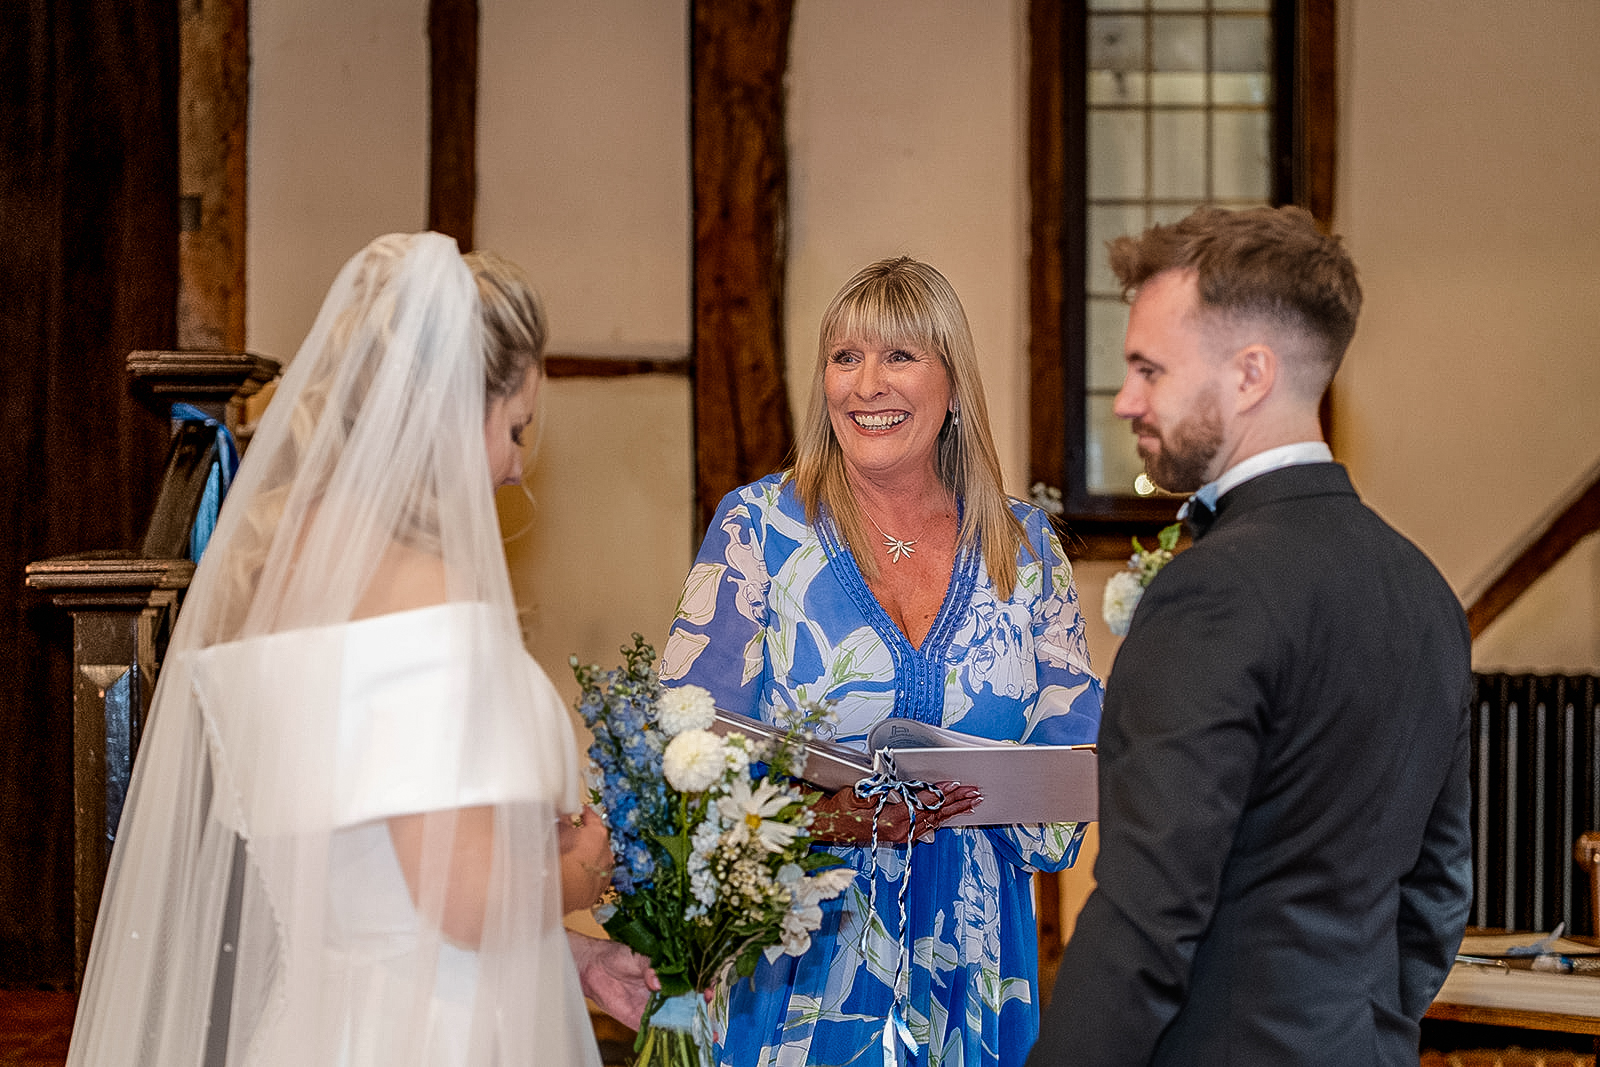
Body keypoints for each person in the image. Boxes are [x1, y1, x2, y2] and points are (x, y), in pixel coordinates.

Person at [66, 232, 652, 1066]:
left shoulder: (272, 589)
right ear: (452, 410)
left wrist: (576, 957)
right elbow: (460, 897)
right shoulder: (428, 596)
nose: (518, 468)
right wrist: (583, 870)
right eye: (515, 428)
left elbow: (375, 904)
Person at [1029, 206, 1472, 1066]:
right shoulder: (1424, 589)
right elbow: (1435, 897)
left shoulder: (1212, 593)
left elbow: (1143, 926)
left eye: (1149, 369)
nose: (1126, 400)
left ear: (1250, 374)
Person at [661, 256, 1104, 1067]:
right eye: (845, 357)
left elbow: (1073, 763)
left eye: (900, 355)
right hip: (799, 959)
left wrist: (1014, 794)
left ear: (953, 384)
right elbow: (684, 753)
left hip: (975, 968)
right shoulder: (757, 529)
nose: (867, 384)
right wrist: (814, 818)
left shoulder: (1024, 545)